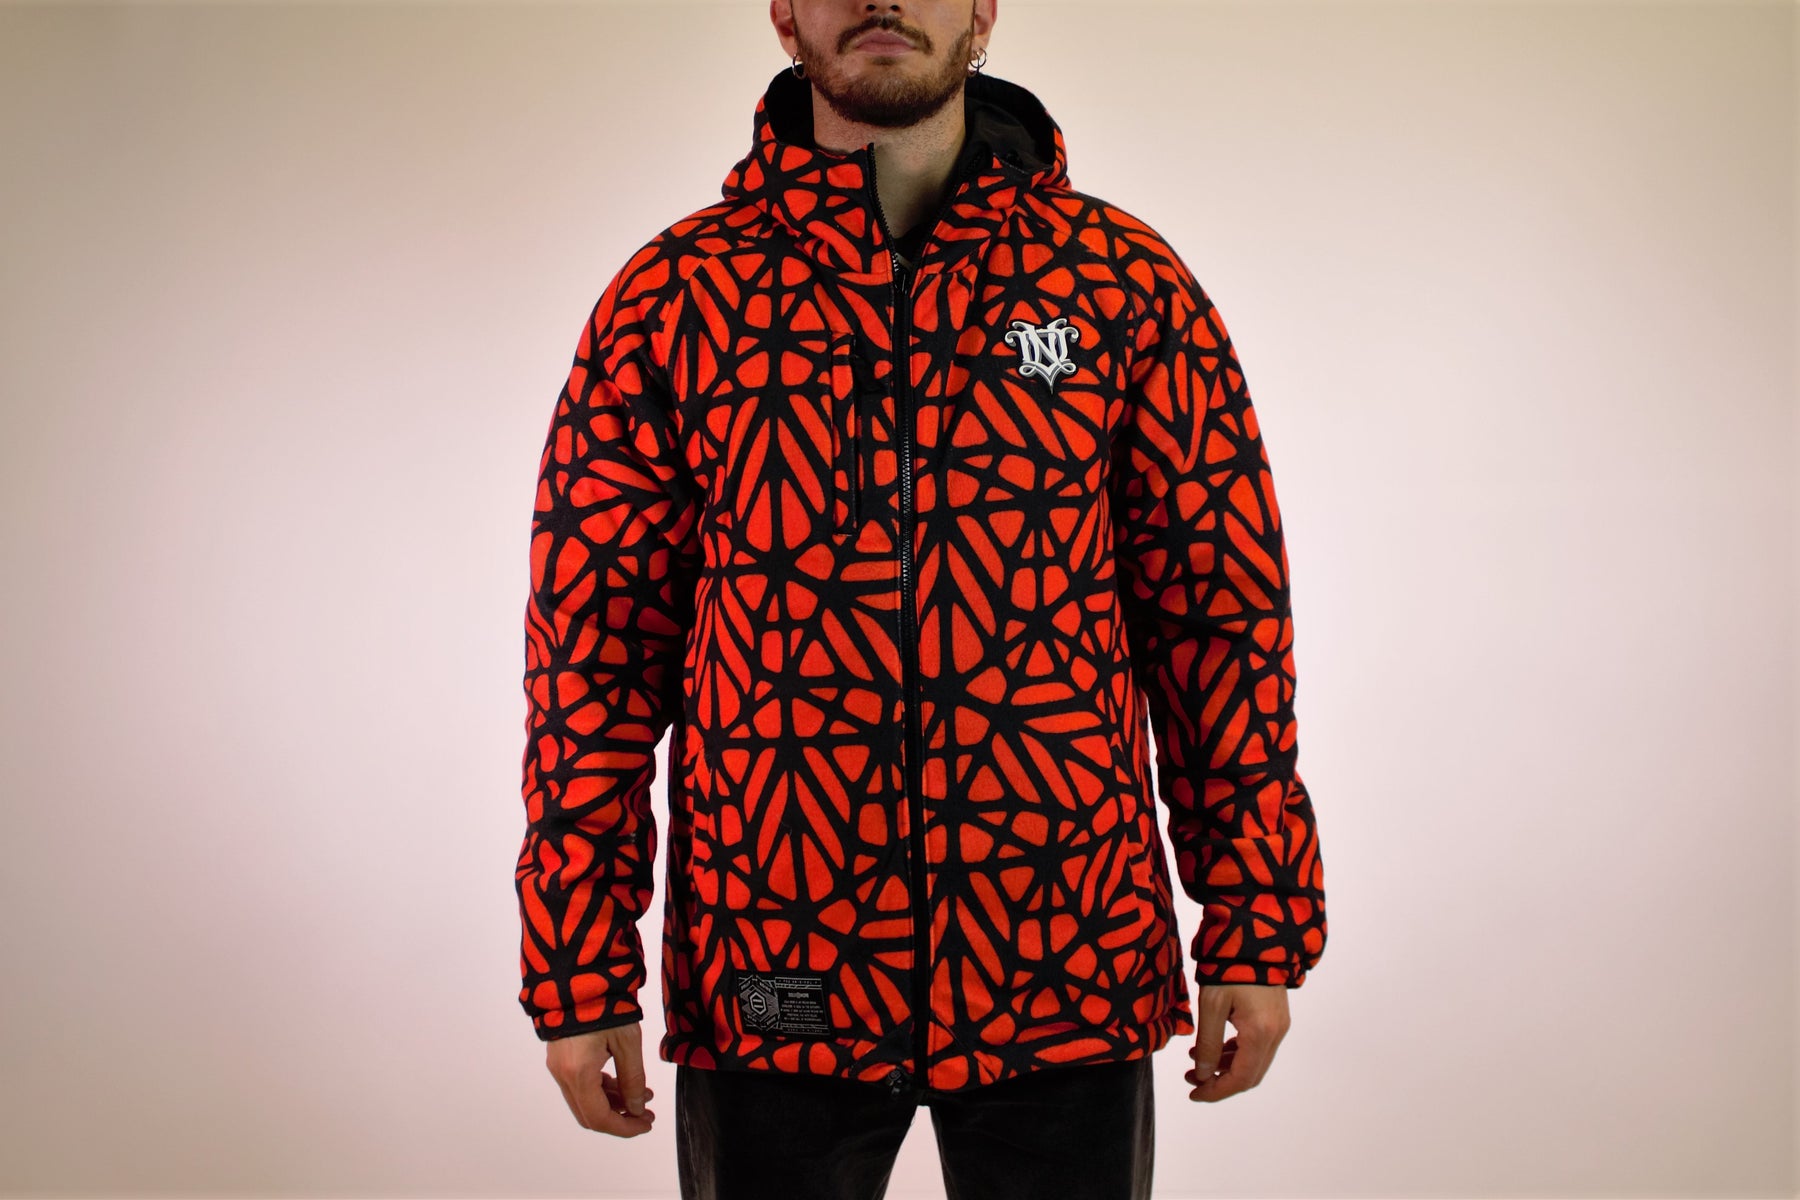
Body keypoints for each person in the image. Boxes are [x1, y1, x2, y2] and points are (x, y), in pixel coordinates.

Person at [515, 2, 1328, 1195]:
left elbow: (1218, 620)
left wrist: (1256, 919)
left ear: (984, 7)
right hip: (776, 963)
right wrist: (580, 963)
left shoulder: (1121, 282)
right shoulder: (676, 297)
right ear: (785, 12)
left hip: (1066, 952)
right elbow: (595, 652)